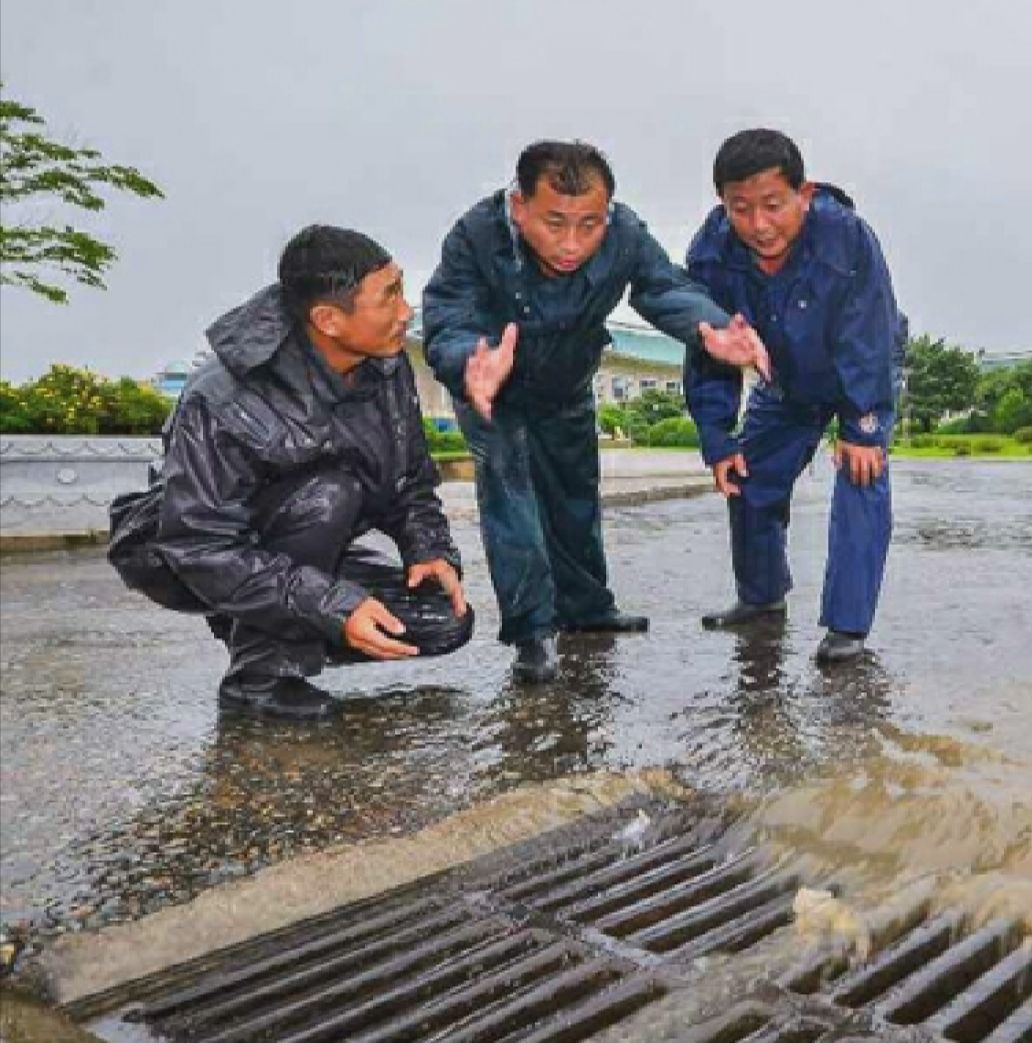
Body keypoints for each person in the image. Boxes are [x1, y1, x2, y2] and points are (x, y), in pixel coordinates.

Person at [423, 141, 768, 684]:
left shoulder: (625, 233)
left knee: (577, 498)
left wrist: (712, 327)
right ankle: (532, 633)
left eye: (589, 224)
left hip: (568, 383)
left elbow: (664, 287)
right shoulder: (477, 234)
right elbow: (447, 310)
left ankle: (586, 611)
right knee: (513, 502)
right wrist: (468, 361)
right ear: (519, 206)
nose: (572, 244)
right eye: (554, 223)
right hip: (494, 386)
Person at [107, 226, 473, 722]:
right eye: (388, 296)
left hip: (288, 547)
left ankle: (261, 618)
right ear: (328, 319)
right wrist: (331, 605)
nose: (405, 311)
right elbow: (199, 543)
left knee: (443, 621)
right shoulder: (223, 396)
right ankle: (261, 677)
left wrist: (427, 547)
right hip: (181, 552)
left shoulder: (386, 368)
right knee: (330, 494)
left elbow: (409, 478)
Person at [683, 130, 905, 664]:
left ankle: (847, 627)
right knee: (747, 475)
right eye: (741, 209)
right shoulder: (711, 253)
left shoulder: (847, 237)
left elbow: (868, 330)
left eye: (773, 205)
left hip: (857, 368)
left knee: (861, 475)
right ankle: (761, 598)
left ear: (802, 193)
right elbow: (710, 344)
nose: (759, 226)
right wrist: (717, 436)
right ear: (723, 205)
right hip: (783, 376)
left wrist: (863, 425)